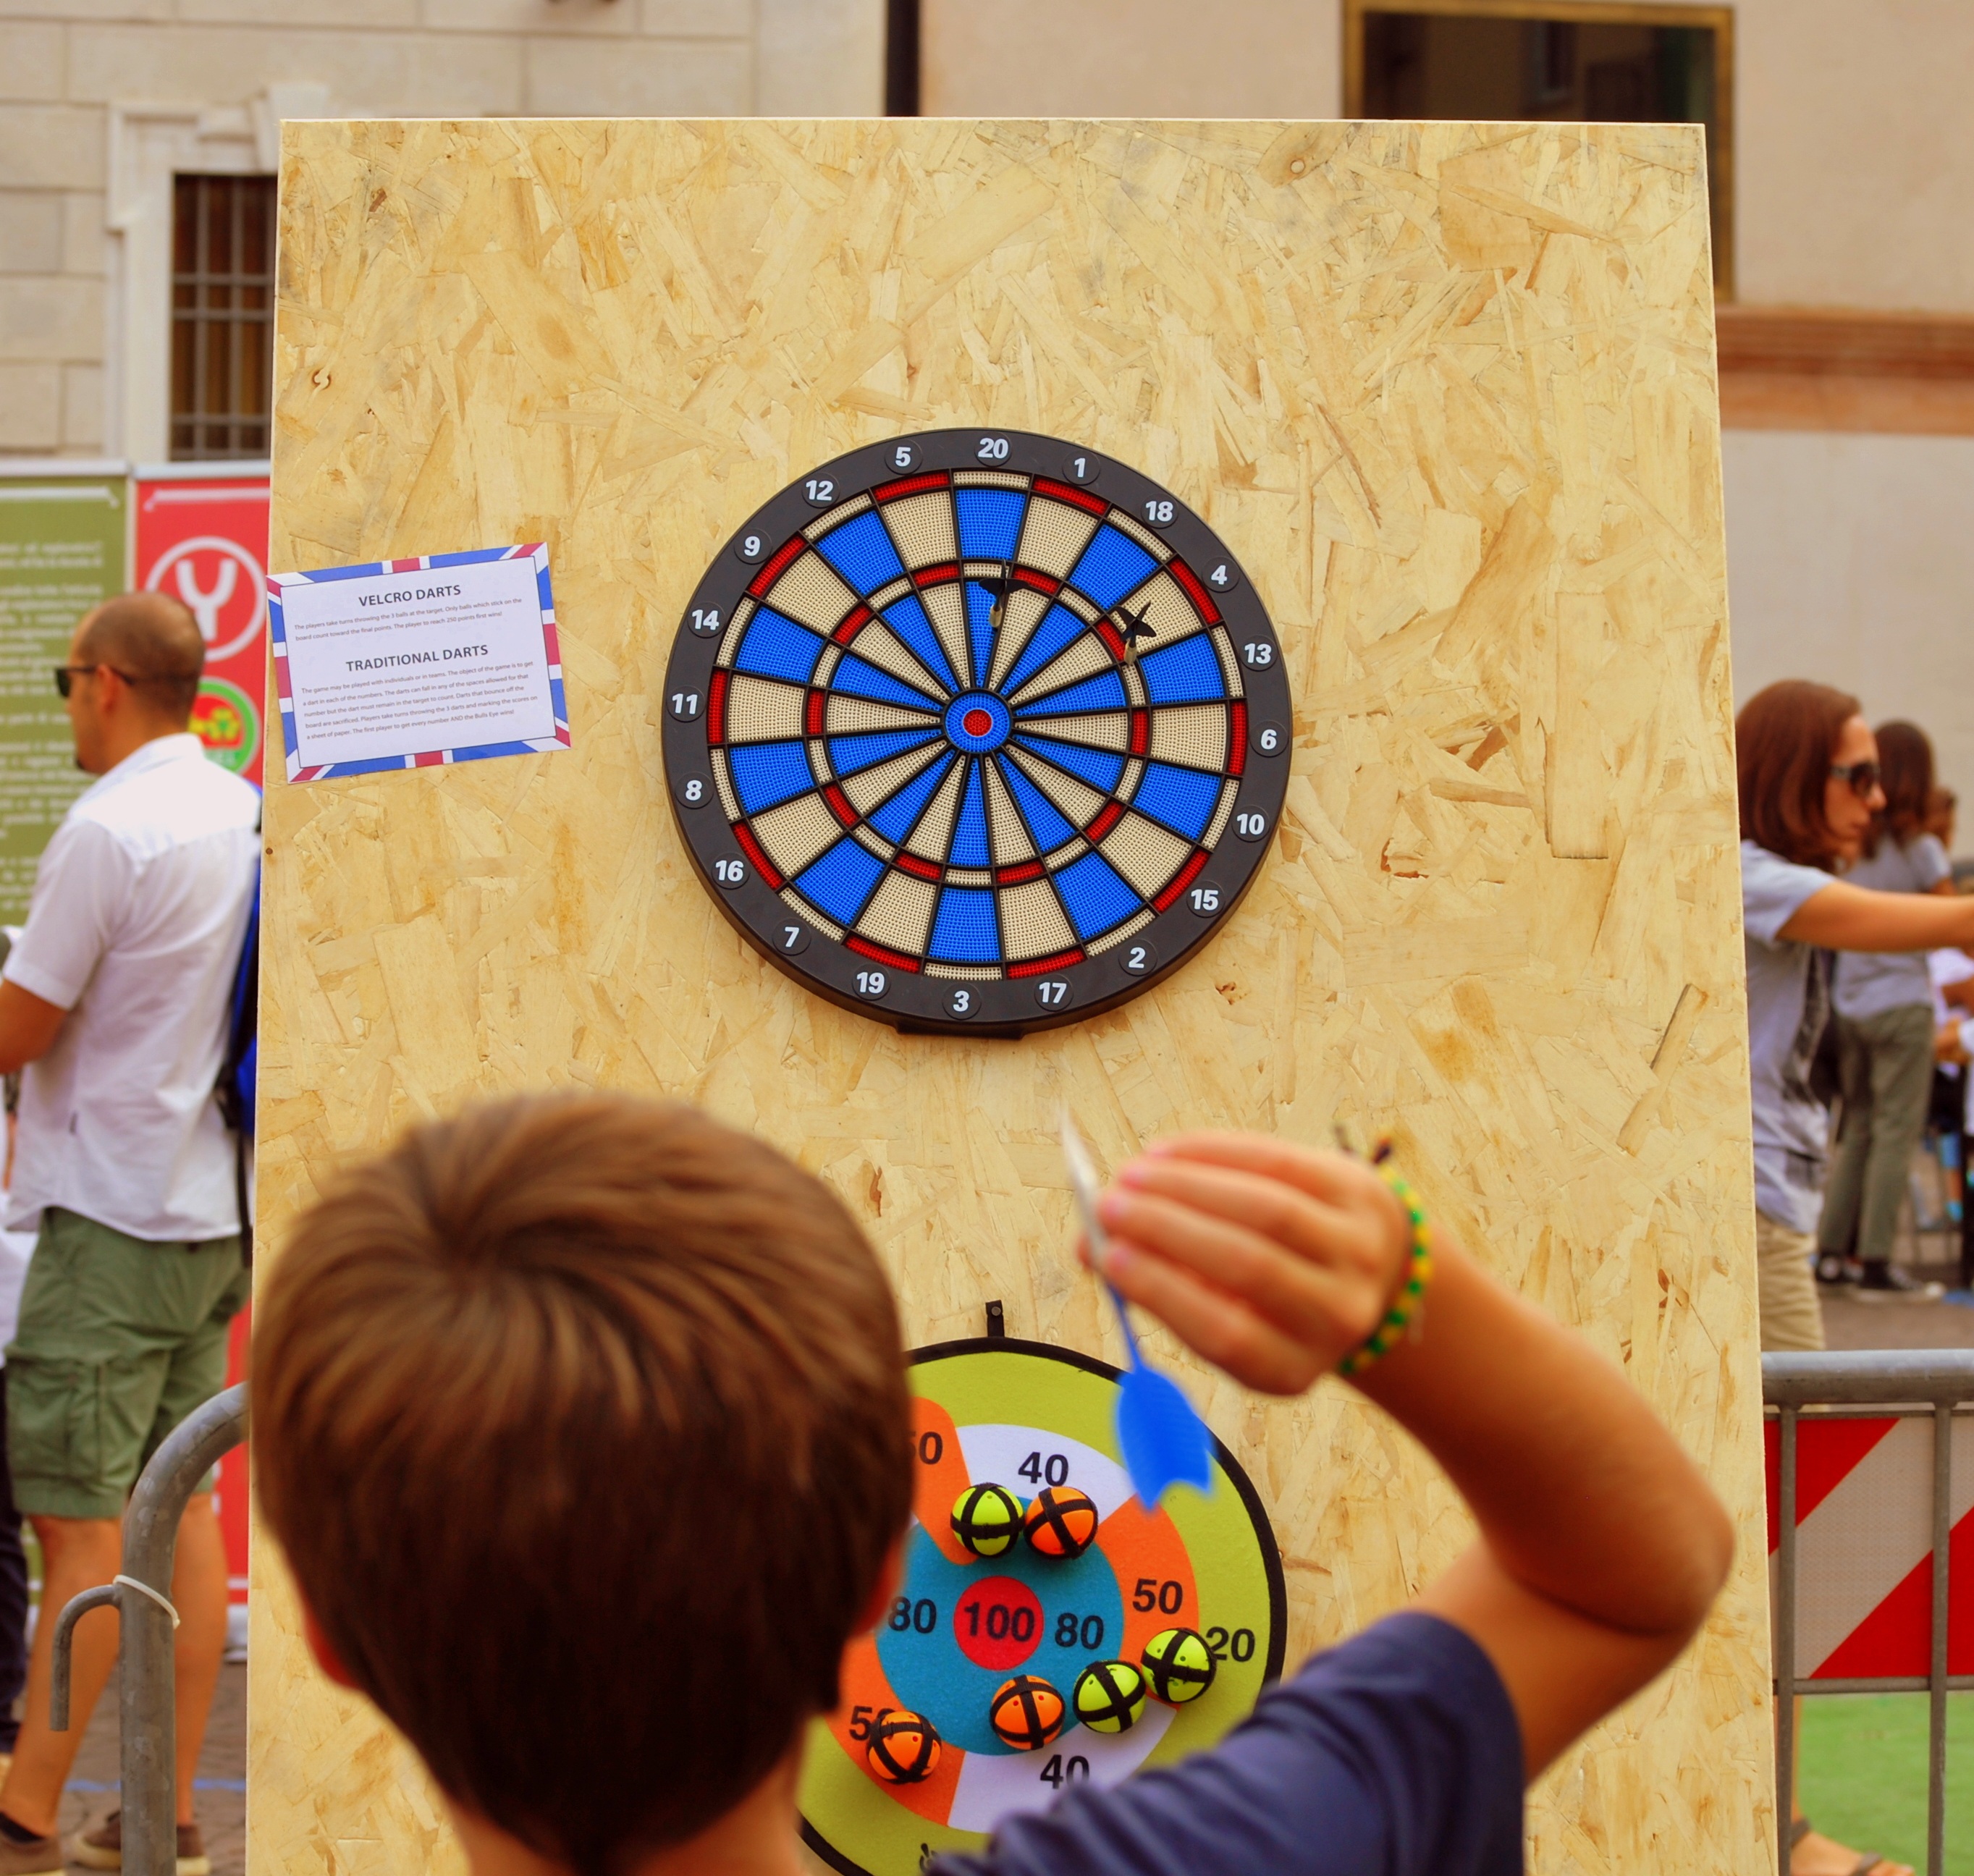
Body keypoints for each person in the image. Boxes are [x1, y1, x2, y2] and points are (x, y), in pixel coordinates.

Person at [254, 1091, 1734, 1876]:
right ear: (881, 1591)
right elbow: (1616, 1576)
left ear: (323, 1632)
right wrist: (1405, 1295)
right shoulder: (1241, 1856)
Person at [0, 593, 259, 1876]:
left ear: (103, 681)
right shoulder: (236, 807)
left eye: (65, 681)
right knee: (178, 1512)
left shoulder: (111, 829)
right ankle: (166, 1811)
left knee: (79, 1527)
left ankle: (27, 1808)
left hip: (108, 1215)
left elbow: (18, 1030)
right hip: (207, 1207)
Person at [1736, 680, 1974, 1876]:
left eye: (1879, 775)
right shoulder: (1747, 874)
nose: (1874, 798)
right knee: (1788, 1534)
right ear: (1790, 774)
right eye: (1853, 773)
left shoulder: (1768, 880)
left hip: (1768, 1216)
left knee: (1779, 1532)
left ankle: (1771, 1824)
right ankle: (1776, 1834)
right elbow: (1908, 927)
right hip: (1755, 1223)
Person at [1817, 722, 1956, 1295]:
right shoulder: (1920, 850)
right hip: (1900, 1004)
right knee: (1896, 1131)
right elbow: (1956, 924)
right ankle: (1876, 1258)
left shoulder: (1852, 849)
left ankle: (1829, 1254)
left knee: (1858, 1129)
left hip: (1849, 1004)